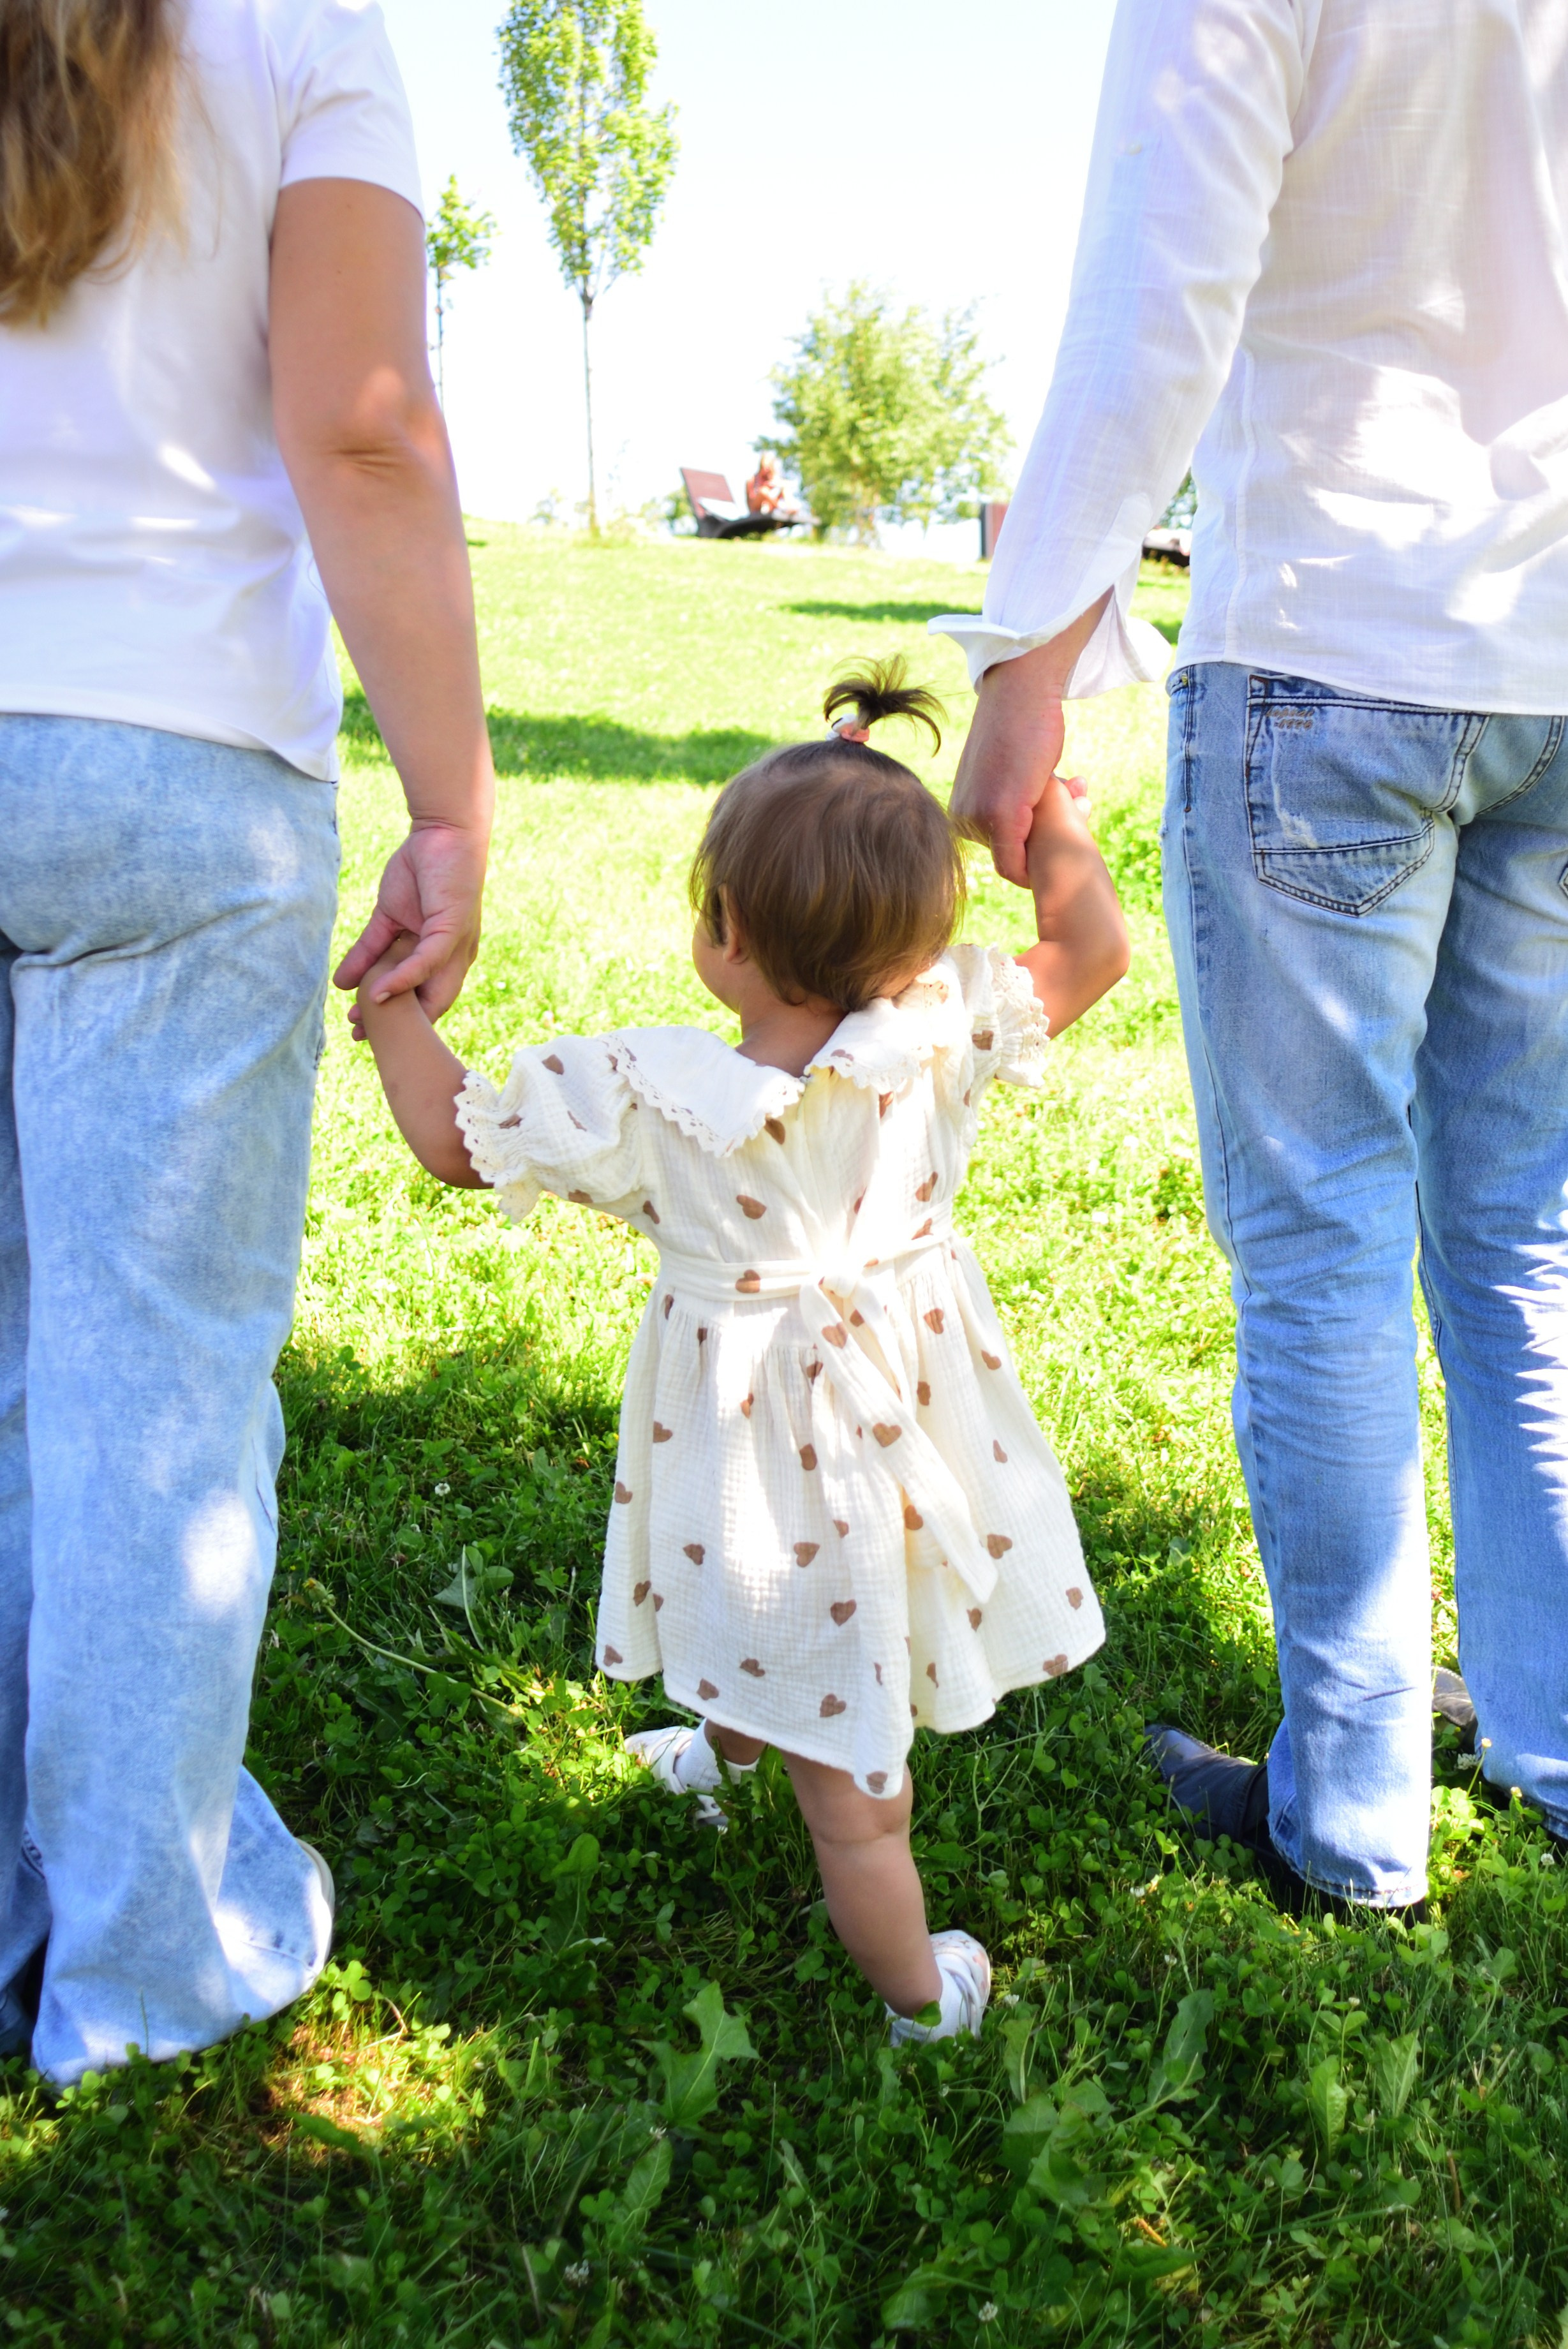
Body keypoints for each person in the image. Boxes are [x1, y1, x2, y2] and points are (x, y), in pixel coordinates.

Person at [931, 0, 1568, 1915]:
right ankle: (1549, 1748)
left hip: (1324, 635)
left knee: (1318, 1240)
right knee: (1527, 1233)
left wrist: (1024, 662)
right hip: (1548, 654)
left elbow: (1157, 295)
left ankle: (1354, 1819)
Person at [353, 662, 1128, 2038]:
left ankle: (913, 1991)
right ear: (922, 933)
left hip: (755, 1438)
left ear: (720, 929)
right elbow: (1092, 946)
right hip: (912, 1407)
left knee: (843, 1767)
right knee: (831, 1586)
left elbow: (449, 1136)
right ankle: (727, 1742)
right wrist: (1051, 809)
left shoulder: (656, 1094)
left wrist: (391, 1010)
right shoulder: (938, 1031)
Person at [0, 0, 494, 2086]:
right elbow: (360, 421)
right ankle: (141, 1960)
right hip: (174, 763)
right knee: (149, 1390)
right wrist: (451, 796)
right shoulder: (304, 27)